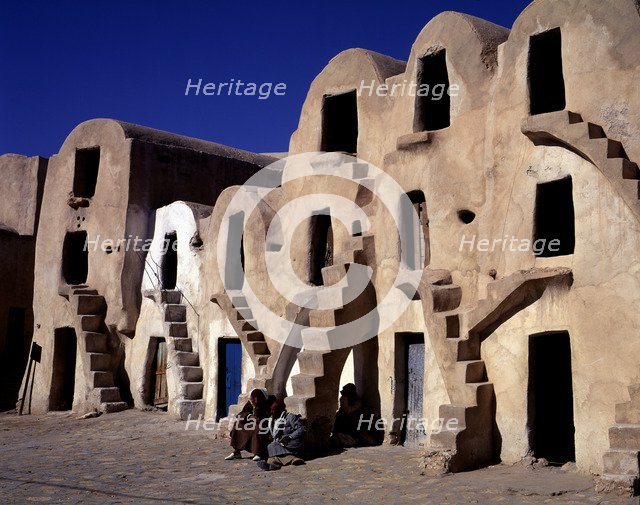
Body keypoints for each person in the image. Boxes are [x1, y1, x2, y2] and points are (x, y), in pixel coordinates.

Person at [257, 399, 306, 471]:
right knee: (269, 445)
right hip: (280, 444)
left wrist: (289, 437)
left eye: (273, 410)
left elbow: (301, 429)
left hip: (291, 444)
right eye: (271, 410)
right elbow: (275, 435)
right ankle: (291, 459)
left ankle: (274, 463)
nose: (271, 412)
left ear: (280, 409)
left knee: (271, 446)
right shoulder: (272, 420)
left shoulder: (290, 417)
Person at [225, 388, 270, 461]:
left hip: (263, 424)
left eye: (256, 399)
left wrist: (260, 419)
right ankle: (237, 452)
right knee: (238, 424)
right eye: (253, 399)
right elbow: (241, 414)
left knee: (257, 429)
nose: (255, 401)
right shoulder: (250, 403)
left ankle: (257, 453)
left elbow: (269, 416)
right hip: (251, 423)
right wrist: (250, 416)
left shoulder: (267, 402)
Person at [331, 383, 376, 447]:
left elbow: (348, 411)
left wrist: (345, 401)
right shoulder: (344, 399)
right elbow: (345, 411)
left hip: (354, 424)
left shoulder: (357, 401)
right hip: (343, 423)